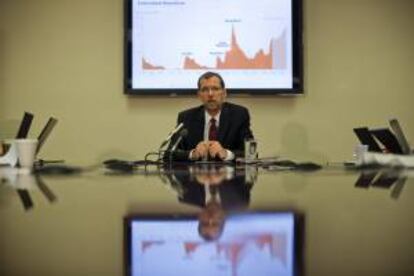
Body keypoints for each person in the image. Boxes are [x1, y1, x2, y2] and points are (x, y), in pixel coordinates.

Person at [173, 71, 253, 161]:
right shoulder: (186, 117)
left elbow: (250, 152)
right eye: (205, 90)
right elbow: (169, 155)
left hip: (228, 173)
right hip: (196, 174)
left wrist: (226, 153)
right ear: (199, 95)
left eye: (215, 89)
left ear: (224, 93)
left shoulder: (239, 115)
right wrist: (193, 154)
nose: (210, 94)